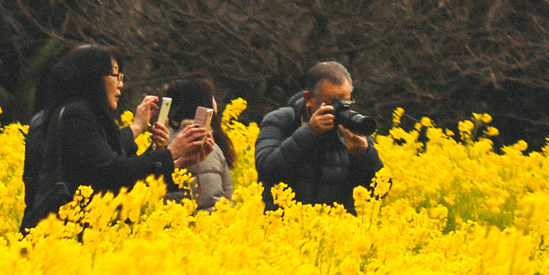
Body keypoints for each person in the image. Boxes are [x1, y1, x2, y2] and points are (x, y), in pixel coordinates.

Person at [21, 44, 212, 233]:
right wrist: (172, 152)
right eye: (115, 75)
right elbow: (113, 172)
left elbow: (119, 167)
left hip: (75, 233)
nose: (121, 83)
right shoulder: (75, 115)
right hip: (61, 235)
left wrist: (175, 160)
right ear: (92, 77)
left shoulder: (79, 113)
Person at [256, 60, 383, 211]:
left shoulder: (353, 129)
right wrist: (310, 132)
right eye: (333, 102)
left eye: (347, 101)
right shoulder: (282, 120)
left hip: (336, 228)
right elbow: (266, 169)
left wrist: (366, 155)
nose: (341, 108)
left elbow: (379, 191)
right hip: (284, 227)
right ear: (309, 99)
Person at [160, 74, 235, 210]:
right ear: (204, 104)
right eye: (212, 98)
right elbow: (209, 203)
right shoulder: (200, 144)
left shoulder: (163, 140)